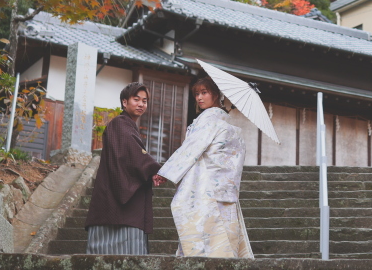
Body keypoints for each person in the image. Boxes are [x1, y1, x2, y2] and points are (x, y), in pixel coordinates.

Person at [155, 76, 253, 258]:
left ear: (216, 94)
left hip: (205, 187)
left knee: (203, 234)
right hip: (224, 189)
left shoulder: (208, 119)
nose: (199, 98)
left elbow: (191, 148)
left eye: (204, 92)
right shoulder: (227, 123)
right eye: (197, 94)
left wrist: (167, 172)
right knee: (223, 235)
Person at [85, 82, 165, 254]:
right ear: (124, 102)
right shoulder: (120, 123)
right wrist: (153, 169)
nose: (141, 104)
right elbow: (132, 152)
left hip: (112, 193)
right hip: (116, 194)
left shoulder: (125, 125)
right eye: (136, 99)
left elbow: (133, 153)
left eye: (144, 101)